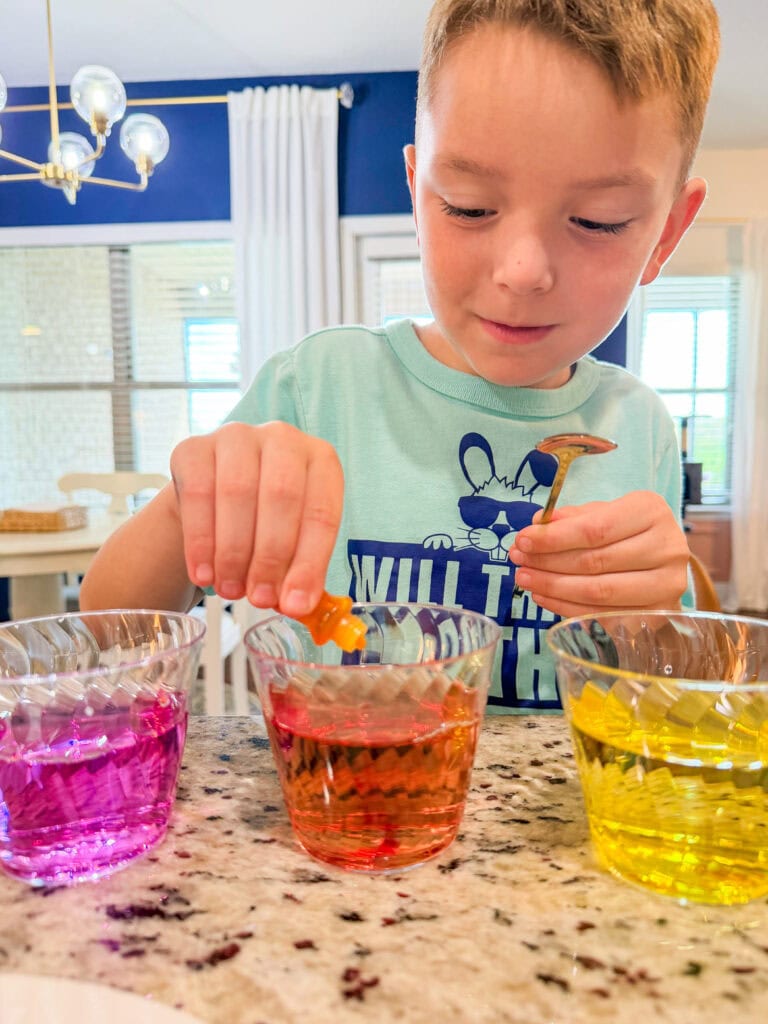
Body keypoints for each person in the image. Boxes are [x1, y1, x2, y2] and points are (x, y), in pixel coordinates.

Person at [81, 0, 721, 711]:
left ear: (666, 233)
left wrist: (657, 624)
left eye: (597, 221)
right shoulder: (319, 389)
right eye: (470, 206)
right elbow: (107, 631)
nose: (522, 271)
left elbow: (673, 687)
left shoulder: (641, 428)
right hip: (355, 802)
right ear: (418, 197)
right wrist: (184, 513)